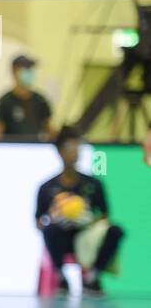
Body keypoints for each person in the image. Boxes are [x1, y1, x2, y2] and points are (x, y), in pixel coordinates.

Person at [36, 125, 124, 297]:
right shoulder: (47, 188)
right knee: (50, 231)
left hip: (87, 237)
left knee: (115, 231)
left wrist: (89, 220)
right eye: (70, 147)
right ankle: (62, 278)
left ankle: (92, 277)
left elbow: (105, 216)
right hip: (63, 236)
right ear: (60, 151)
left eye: (78, 147)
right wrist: (55, 217)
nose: (75, 152)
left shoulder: (93, 184)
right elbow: (38, 221)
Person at [0, 54, 53, 141]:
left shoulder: (40, 101)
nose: (29, 72)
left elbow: (50, 131)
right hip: (12, 150)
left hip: (35, 150)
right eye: (25, 68)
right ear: (14, 71)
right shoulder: (4, 102)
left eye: (30, 69)